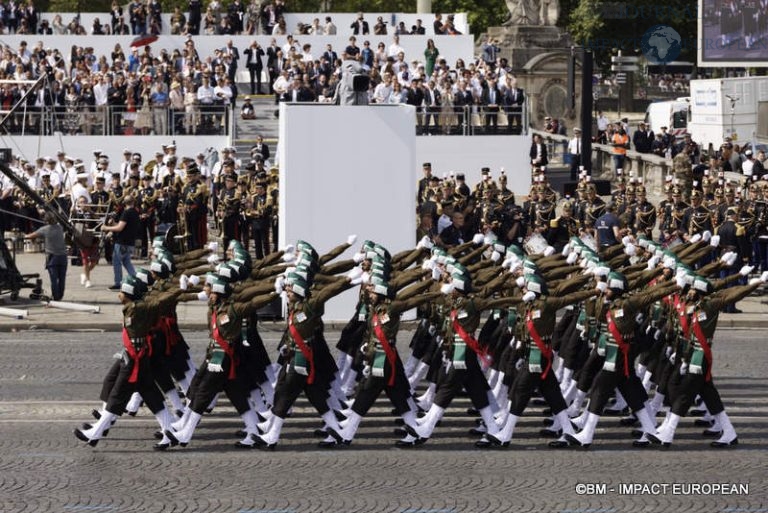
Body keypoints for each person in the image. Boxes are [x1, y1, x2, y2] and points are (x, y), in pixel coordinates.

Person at [25, 213, 68, 301]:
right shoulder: (60, 228)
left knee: (54, 279)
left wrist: (26, 235)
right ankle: (60, 296)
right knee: (62, 279)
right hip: (63, 257)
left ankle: (56, 298)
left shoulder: (44, 229)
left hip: (53, 258)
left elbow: (29, 236)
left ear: (46, 221)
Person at [102, 194, 140, 290]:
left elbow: (119, 228)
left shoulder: (126, 212)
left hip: (122, 242)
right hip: (130, 242)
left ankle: (118, 283)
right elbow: (123, 225)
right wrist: (113, 223)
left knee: (117, 262)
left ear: (124, 203)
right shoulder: (135, 212)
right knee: (126, 261)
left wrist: (106, 227)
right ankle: (136, 280)